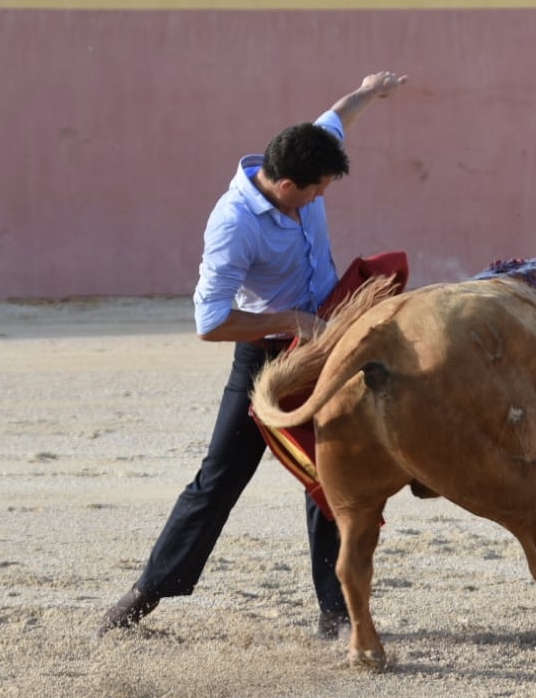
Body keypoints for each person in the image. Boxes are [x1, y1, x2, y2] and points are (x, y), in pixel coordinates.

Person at [98, 70, 409, 640]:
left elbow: (338, 113)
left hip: (322, 349)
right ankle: (133, 609)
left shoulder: (305, 151)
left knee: (331, 471)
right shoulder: (234, 224)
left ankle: (336, 617)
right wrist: (291, 320)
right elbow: (209, 322)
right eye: (317, 190)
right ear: (288, 183)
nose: (321, 198)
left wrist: (370, 90)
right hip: (267, 361)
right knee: (217, 482)